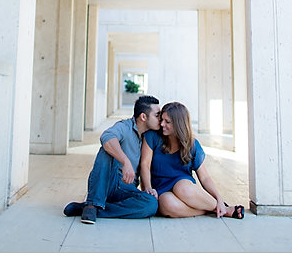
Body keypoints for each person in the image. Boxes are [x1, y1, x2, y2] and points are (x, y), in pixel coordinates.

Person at [63, 94, 161, 224]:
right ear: (143, 117)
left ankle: (91, 209)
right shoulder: (125, 127)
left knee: (151, 204)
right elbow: (107, 137)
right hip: (108, 182)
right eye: (157, 115)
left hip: (126, 189)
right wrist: (125, 161)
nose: (160, 119)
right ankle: (93, 204)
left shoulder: (151, 136)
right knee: (107, 149)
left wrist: (148, 187)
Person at [140, 101, 245, 219]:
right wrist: (148, 188)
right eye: (162, 120)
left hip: (183, 186)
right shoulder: (152, 136)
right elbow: (145, 164)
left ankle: (221, 207)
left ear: (178, 124)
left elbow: (204, 177)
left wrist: (219, 198)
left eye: (167, 122)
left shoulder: (193, 145)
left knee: (182, 188)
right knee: (166, 204)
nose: (162, 124)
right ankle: (217, 210)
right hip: (160, 188)